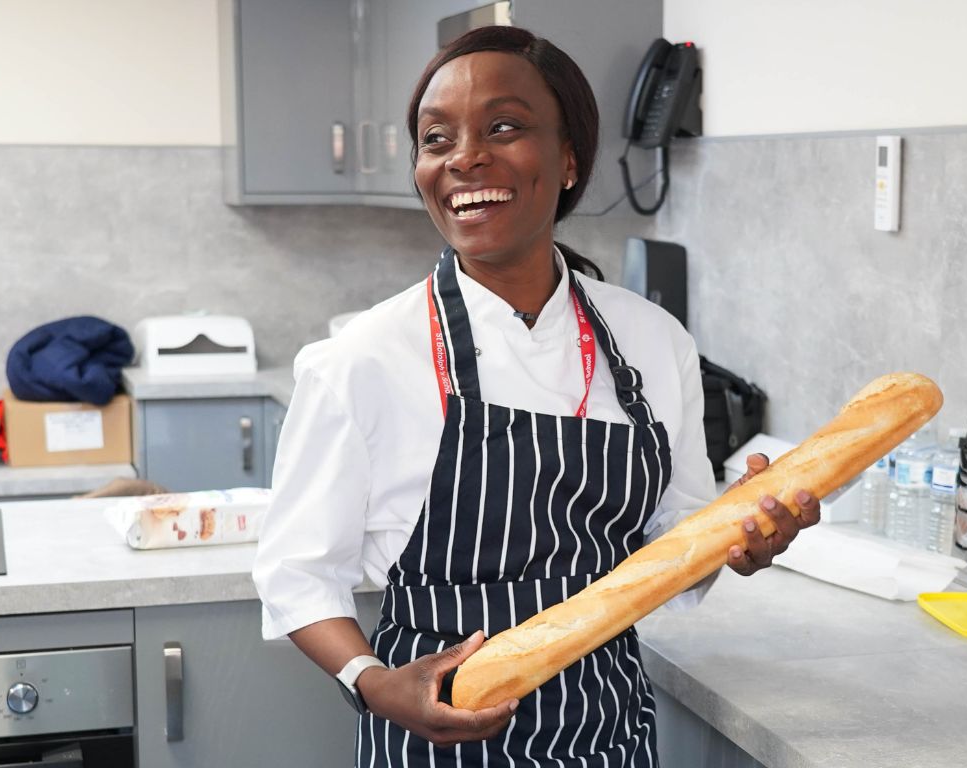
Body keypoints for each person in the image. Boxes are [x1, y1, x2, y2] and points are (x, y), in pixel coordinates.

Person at [253, 26, 821, 767]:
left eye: (504, 127)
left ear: (569, 159)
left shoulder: (652, 342)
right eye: (435, 138)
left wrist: (738, 542)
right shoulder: (362, 359)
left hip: (608, 734)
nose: (463, 158)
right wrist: (375, 684)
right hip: (436, 741)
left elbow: (672, 540)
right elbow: (297, 573)